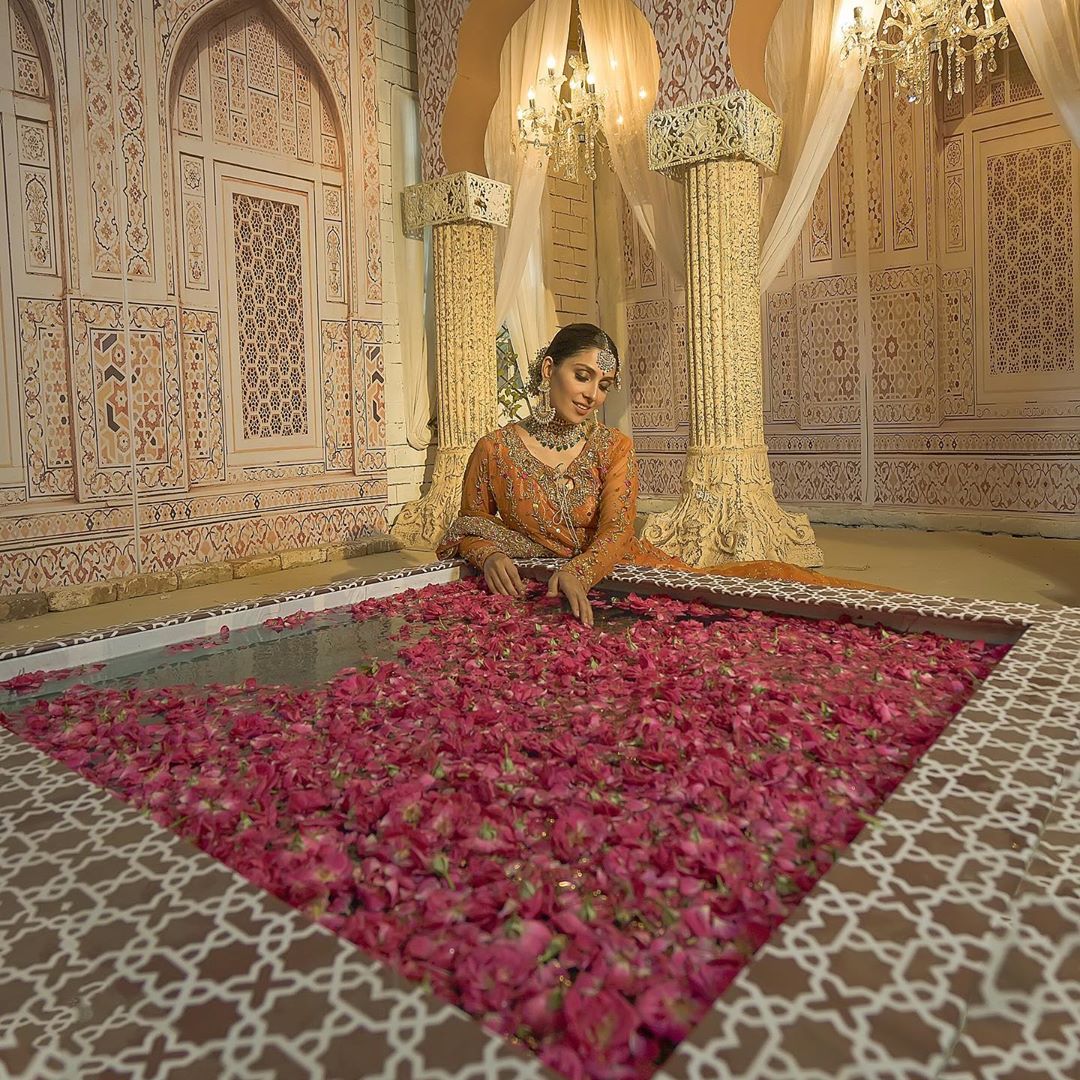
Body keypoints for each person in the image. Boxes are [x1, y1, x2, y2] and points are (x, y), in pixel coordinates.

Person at [437, 323, 876, 627]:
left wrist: (580, 572)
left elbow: (616, 529)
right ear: (550, 370)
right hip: (544, 588)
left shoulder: (614, 447)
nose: (592, 394)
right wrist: (490, 557)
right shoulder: (494, 450)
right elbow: (469, 526)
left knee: (754, 598)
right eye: (582, 376)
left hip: (623, 570)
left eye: (604, 384)